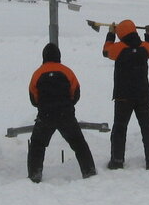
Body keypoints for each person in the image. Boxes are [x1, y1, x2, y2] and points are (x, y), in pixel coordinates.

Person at [27, 43, 97, 183]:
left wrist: (44, 106)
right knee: (79, 144)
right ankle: (89, 171)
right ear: (59, 56)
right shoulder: (67, 71)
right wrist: (67, 105)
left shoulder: (37, 73)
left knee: (37, 145)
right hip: (66, 115)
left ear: (44, 57)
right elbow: (76, 93)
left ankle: (35, 175)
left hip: (45, 116)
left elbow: (33, 98)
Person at [103, 19, 149, 170]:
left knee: (120, 128)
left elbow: (106, 51)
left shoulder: (118, 48)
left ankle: (117, 160)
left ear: (121, 34)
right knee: (148, 127)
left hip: (123, 96)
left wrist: (110, 34)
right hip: (143, 94)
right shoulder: (144, 47)